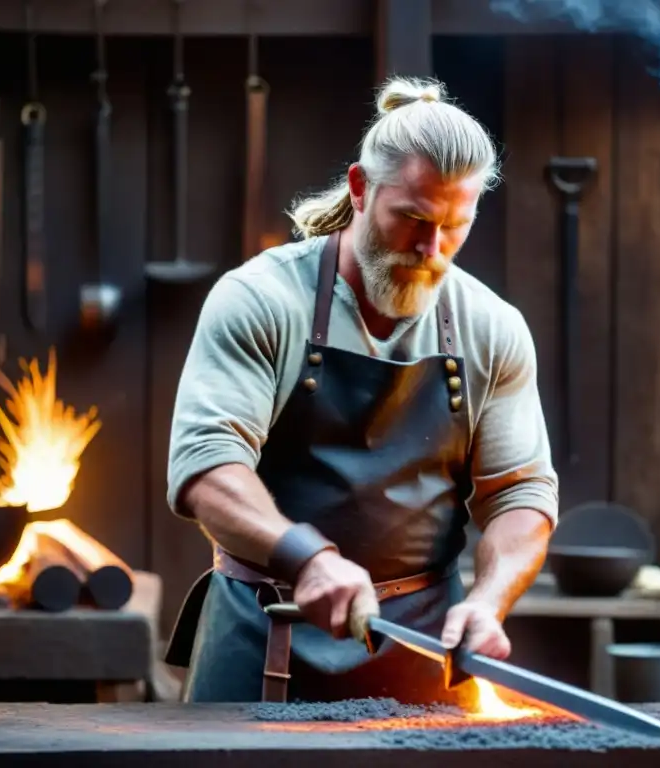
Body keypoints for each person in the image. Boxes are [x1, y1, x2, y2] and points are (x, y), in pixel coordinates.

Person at [163, 76, 559, 706]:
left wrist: (488, 602)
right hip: (262, 630)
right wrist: (307, 557)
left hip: (423, 650)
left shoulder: (492, 326)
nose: (433, 250)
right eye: (413, 219)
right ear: (359, 187)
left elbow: (521, 490)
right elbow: (206, 467)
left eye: (456, 227)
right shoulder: (261, 299)